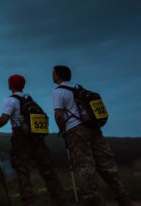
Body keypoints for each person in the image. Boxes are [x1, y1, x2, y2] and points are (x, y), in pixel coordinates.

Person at [52, 65, 132, 206]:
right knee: (106, 163)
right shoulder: (78, 88)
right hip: (93, 127)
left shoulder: (59, 92)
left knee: (85, 165)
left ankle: (94, 200)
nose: (52, 76)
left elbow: (58, 115)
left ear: (58, 76)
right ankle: (123, 197)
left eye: (53, 73)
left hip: (76, 130)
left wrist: (61, 130)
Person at [0, 74, 66, 205]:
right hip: (37, 138)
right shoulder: (30, 99)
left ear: (10, 85)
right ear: (23, 85)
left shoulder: (11, 100)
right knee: (47, 169)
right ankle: (59, 199)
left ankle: (29, 200)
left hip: (21, 138)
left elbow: (4, 118)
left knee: (22, 169)